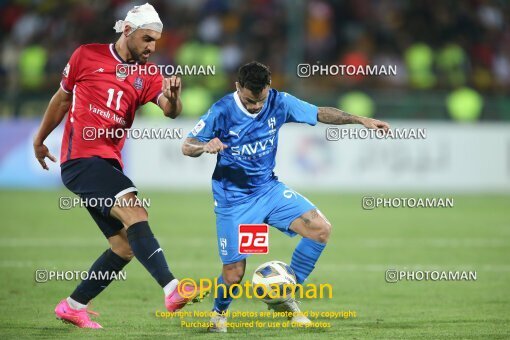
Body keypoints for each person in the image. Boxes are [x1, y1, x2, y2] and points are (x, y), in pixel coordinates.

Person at [182, 61, 390, 332]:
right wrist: (204, 145)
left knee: (320, 229)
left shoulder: (279, 102)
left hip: (269, 189)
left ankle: (285, 297)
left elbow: (320, 113)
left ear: (269, 88)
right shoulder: (222, 110)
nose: (256, 106)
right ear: (237, 88)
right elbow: (187, 145)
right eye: (249, 100)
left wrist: (360, 120)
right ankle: (218, 316)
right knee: (234, 274)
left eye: (260, 99)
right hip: (235, 200)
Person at [33, 3, 203, 329]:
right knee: (136, 212)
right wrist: (40, 139)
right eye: (147, 39)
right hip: (81, 159)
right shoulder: (86, 56)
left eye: (156, 41)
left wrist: (175, 95)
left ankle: (73, 305)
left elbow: (170, 111)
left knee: (123, 247)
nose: (152, 48)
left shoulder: (148, 73)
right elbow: (62, 99)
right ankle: (171, 288)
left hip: (108, 162)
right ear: (127, 31)